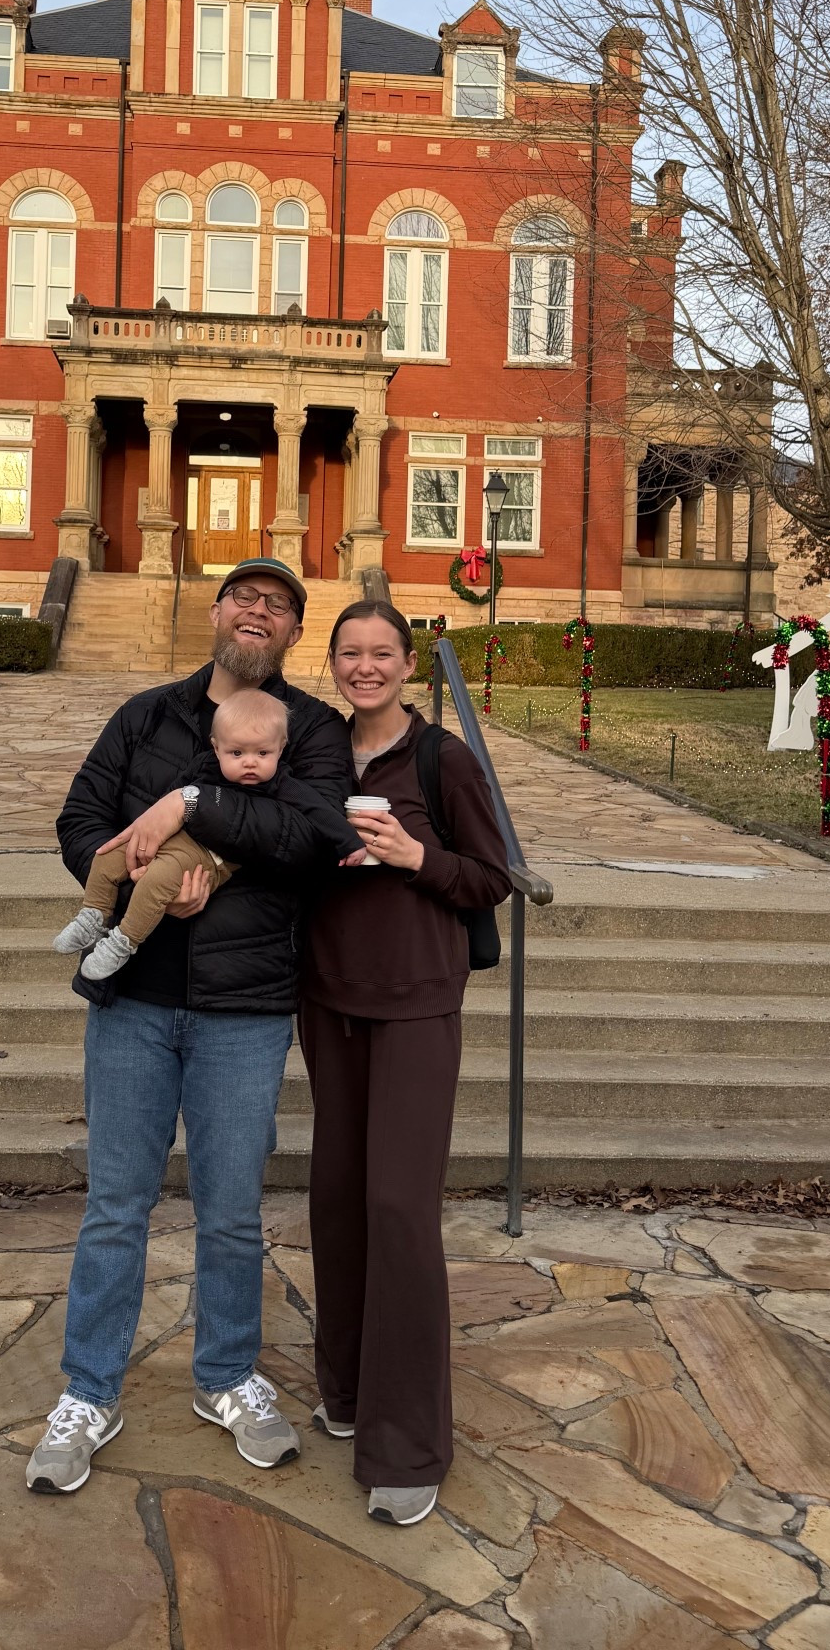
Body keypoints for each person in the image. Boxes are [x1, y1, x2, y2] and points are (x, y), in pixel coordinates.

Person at [26, 560, 354, 1496]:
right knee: (116, 1205)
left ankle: (226, 1377)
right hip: (133, 998)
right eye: (244, 598)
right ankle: (89, 1390)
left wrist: (198, 805)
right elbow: (80, 818)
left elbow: (314, 837)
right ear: (216, 614)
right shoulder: (146, 717)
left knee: (231, 1212)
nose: (258, 612)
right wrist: (143, 878)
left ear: (293, 631)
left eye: (278, 605)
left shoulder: (313, 729)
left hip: (246, 1006)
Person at [300, 600, 509, 1527]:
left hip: (420, 999)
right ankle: (346, 1392)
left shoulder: (443, 758)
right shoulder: (314, 752)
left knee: (399, 1207)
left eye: (381, 653)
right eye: (350, 653)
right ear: (333, 662)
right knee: (338, 1195)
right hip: (327, 997)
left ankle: (408, 1443)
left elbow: (490, 876)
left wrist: (414, 855)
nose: (365, 667)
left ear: (408, 661)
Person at [54, 689, 364, 982]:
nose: (250, 762)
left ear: (281, 748)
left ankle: (123, 941)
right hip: (173, 839)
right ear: (216, 747)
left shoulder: (282, 783)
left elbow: (321, 812)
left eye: (263, 752)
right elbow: (170, 795)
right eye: (237, 752)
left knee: (158, 879)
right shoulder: (204, 765)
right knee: (108, 856)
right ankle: (92, 915)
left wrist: (349, 842)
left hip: (209, 856)